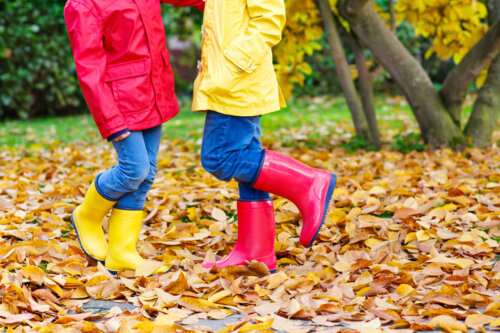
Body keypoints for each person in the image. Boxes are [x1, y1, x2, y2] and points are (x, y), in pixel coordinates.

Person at [192, 0, 337, 273]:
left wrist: (230, 63)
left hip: (236, 81)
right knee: (248, 159)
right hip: (231, 81)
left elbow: (269, 21)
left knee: (219, 158)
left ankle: (309, 183)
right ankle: (256, 252)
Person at [64, 0, 204, 274]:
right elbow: (89, 69)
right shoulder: (83, 4)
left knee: (147, 173)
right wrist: (111, 122)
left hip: (153, 89)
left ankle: (122, 253)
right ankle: (87, 215)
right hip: (120, 101)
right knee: (134, 169)